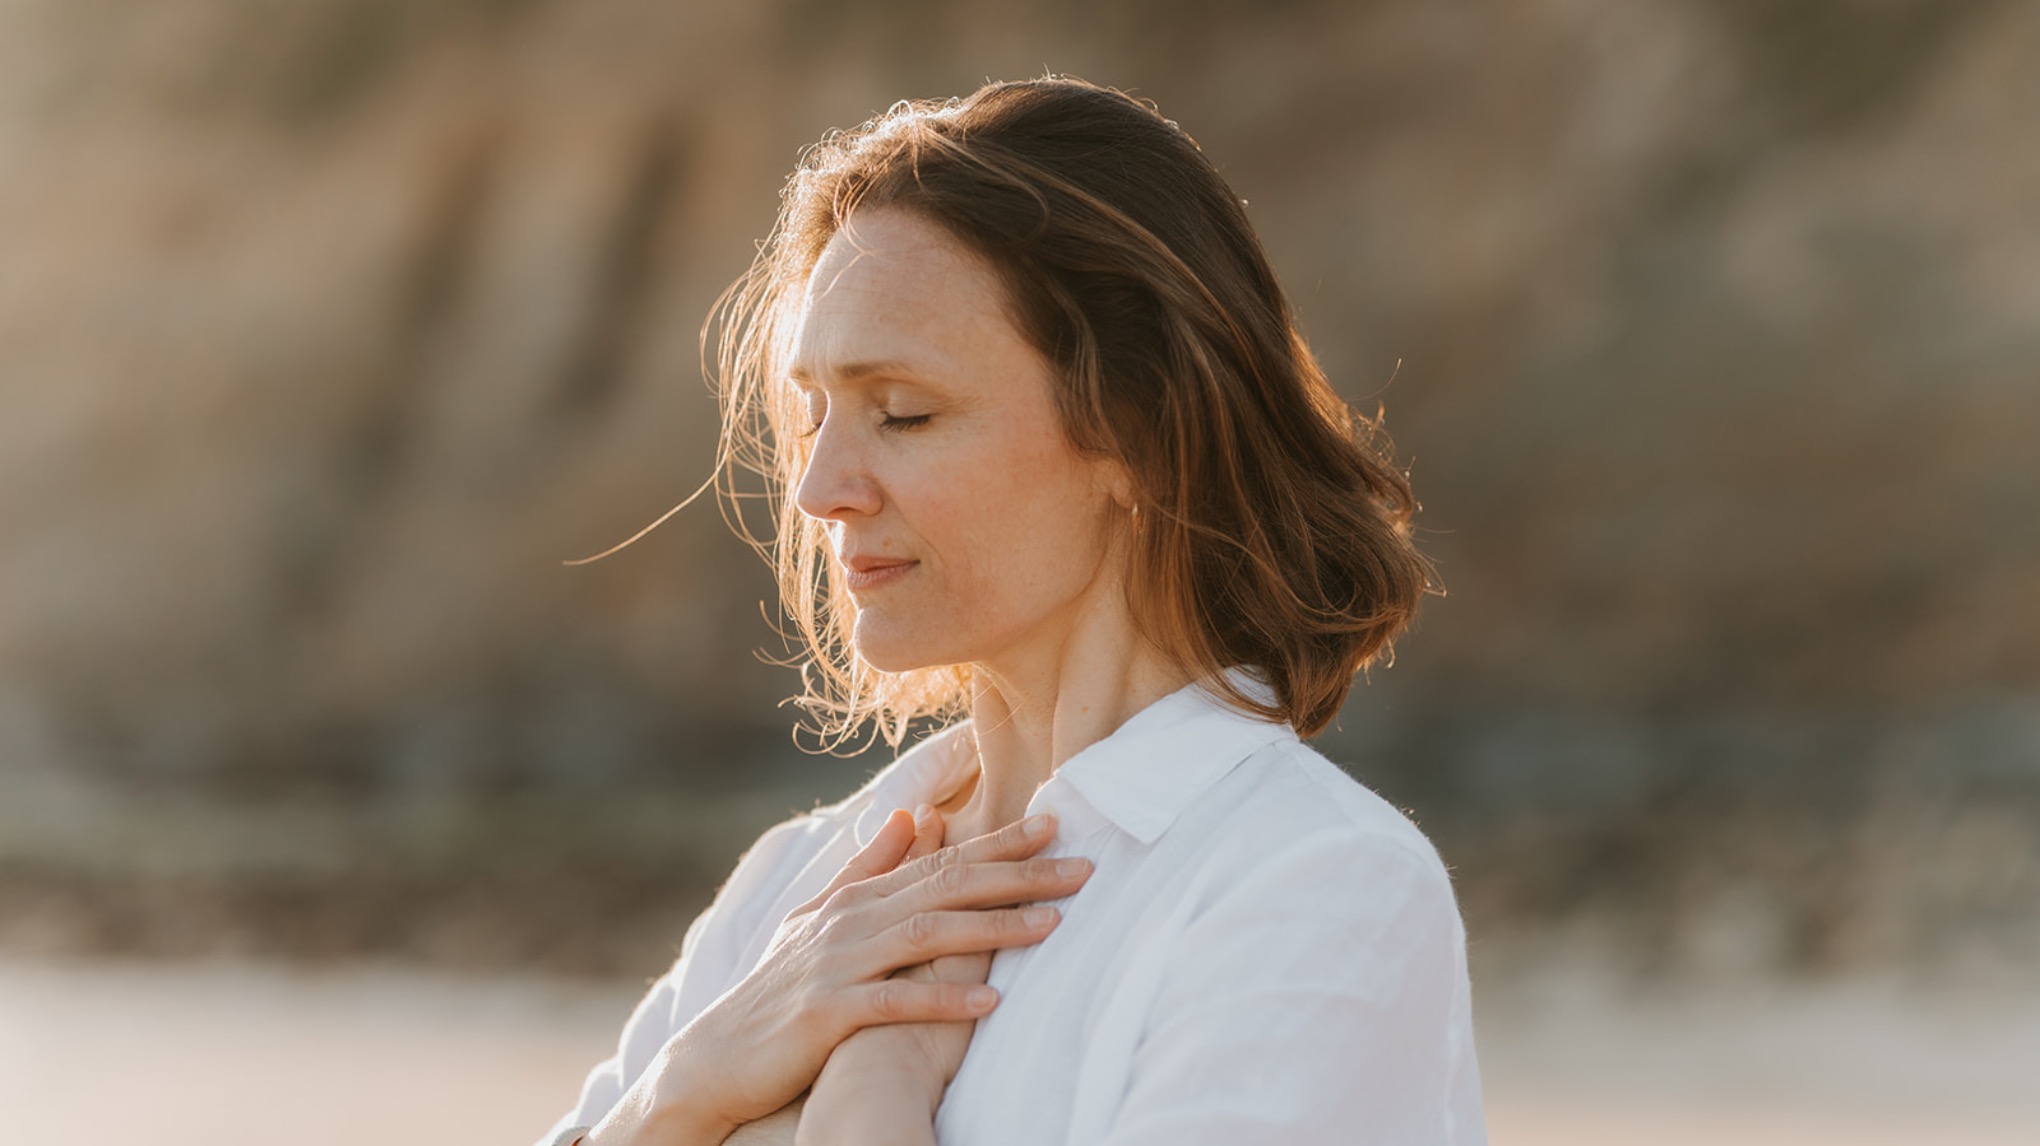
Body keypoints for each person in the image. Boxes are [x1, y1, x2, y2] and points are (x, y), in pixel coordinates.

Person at [539, 76, 1486, 1146]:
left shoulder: (1311, 888)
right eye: (813, 418)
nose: (818, 489)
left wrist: (872, 1097)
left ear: (1139, 434)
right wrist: (687, 1087)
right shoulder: (805, 887)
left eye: (903, 413)